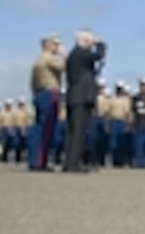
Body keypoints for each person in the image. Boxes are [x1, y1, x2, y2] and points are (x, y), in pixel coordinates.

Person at [64, 30, 106, 173]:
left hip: (76, 97)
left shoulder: (75, 55)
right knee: (78, 132)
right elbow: (99, 55)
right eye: (90, 41)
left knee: (73, 132)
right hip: (80, 97)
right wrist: (100, 44)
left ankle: (70, 162)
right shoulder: (79, 54)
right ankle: (73, 164)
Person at [28, 34, 65, 171]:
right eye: (55, 44)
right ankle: (40, 161)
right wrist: (63, 54)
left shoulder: (37, 60)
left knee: (39, 128)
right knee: (47, 129)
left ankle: (35, 160)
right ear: (48, 45)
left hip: (39, 93)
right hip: (50, 93)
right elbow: (64, 66)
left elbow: (32, 82)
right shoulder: (48, 58)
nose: (57, 47)